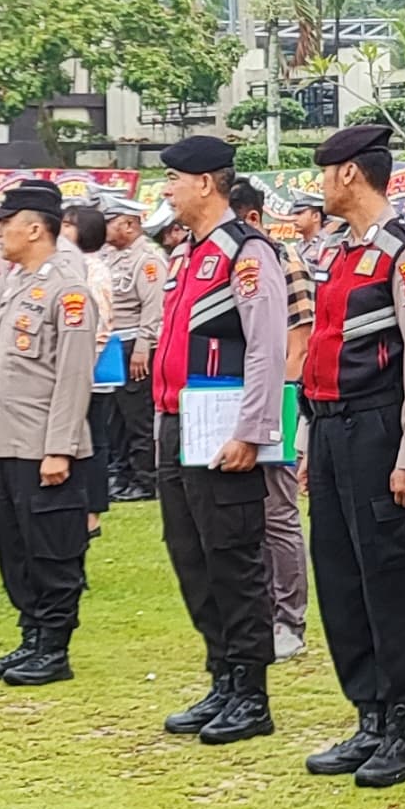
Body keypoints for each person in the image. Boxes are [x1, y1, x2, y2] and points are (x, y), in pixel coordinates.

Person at [293, 121, 405, 789]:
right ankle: (367, 712)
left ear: (351, 174)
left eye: (326, 171)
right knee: (339, 574)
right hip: (332, 430)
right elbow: (324, 349)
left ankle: (402, 728)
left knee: (388, 578)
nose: (321, 184)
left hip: (381, 431)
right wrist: (308, 440)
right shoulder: (340, 251)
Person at [149, 136, 291, 744]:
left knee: (234, 559)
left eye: (175, 178)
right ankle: (222, 676)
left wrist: (253, 432)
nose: (167, 190)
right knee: (192, 556)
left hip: (224, 428)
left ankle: (251, 692)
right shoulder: (188, 253)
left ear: (206, 183)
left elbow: (266, 348)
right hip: (179, 423)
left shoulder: (247, 251)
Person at [0, 180, 107, 684]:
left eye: (6, 225)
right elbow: (5, 373)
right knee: (13, 548)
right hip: (10, 441)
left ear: (34, 228)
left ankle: (53, 646)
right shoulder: (19, 286)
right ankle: (30, 636)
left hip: (45, 446)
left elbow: (73, 377)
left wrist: (60, 449)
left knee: (52, 550)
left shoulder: (67, 292)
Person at [230, 176, 310, 666]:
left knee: (278, 511)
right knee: (244, 514)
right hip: (231, 401)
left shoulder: (283, 259)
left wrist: (278, 406)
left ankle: (289, 620)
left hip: (276, 396)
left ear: (252, 217)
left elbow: (299, 342)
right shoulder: (221, 259)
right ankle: (257, 611)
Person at [96, 206, 164, 502]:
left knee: (138, 417)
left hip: (134, 344)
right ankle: (122, 475)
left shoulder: (147, 259)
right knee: (115, 418)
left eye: (110, 222)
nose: (105, 228)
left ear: (129, 224)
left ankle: (145, 478)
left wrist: (143, 348)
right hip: (111, 344)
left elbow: (154, 307)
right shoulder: (107, 257)